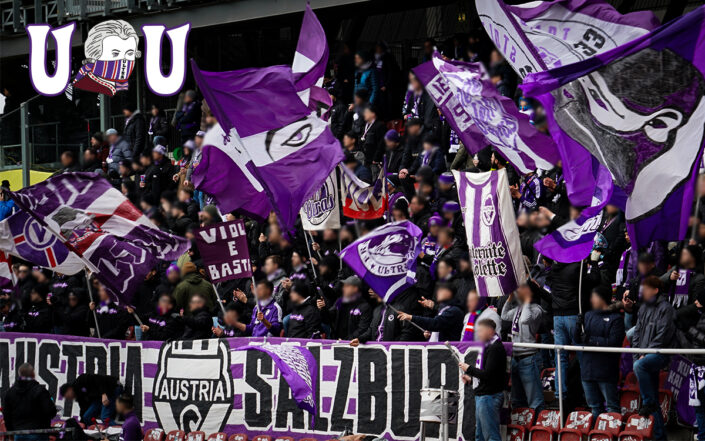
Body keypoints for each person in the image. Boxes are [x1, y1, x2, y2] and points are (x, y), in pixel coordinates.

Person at [631, 275, 676, 441]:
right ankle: (660, 436)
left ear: (656, 290)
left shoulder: (666, 308)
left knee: (639, 367)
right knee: (653, 397)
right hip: (644, 355)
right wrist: (638, 354)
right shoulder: (643, 307)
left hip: (659, 354)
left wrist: (646, 354)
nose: (642, 291)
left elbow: (663, 335)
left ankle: (647, 402)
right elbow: (636, 333)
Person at [576, 286, 625, 419]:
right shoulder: (588, 315)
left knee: (612, 407)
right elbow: (577, 339)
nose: (591, 300)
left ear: (602, 298)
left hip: (606, 371)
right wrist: (577, 326)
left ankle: (613, 430)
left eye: (594, 297)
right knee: (594, 406)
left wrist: (591, 339)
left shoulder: (616, 319)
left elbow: (614, 342)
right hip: (588, 370)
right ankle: (597, 430)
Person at [459, 319, 506, 441]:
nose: (478, 334)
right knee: (480, 436)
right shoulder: (488, 346)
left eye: (480, 331)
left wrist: (469, 369)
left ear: (490, 331)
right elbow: (490, 375)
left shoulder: (495, 348)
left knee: (491, 436)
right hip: (484, 396)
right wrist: (471, 379)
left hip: (489, 397)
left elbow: (488, 375)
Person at [501, 282, 545, 413]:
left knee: (534, 399)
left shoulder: (537, 309)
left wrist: (526, 300)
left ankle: (537, 421)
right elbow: (504, 315)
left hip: (529, 358)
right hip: (515, 357)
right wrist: (509, 300)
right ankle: (521, 423)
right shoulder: (519, 308)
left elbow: (525, 319)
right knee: (517, 399)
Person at [2, 363, 57, 440]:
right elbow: (50, 411)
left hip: (18, 433)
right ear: (33, 374)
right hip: (38, 432)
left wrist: (10, 432)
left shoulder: (10, 392)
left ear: (19, 374)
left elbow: (7, 415)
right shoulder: (40, 390)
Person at [398, 282, 464, 341]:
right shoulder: (444, 309)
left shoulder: (454, 311)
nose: (437, 293)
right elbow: (441, 328)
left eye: (441, 290)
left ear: (449, 292)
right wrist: (431, 334)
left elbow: (435, 323)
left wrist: (411, 317)